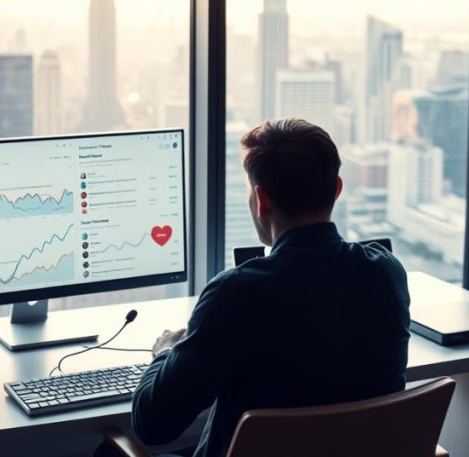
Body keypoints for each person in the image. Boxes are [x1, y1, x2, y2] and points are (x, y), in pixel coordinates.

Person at [124, 119, 411, 457]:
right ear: (336, 189)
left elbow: (153, 425)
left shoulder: (235, 293)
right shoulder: (386, 271)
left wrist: (165, 353)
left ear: (261, 200)